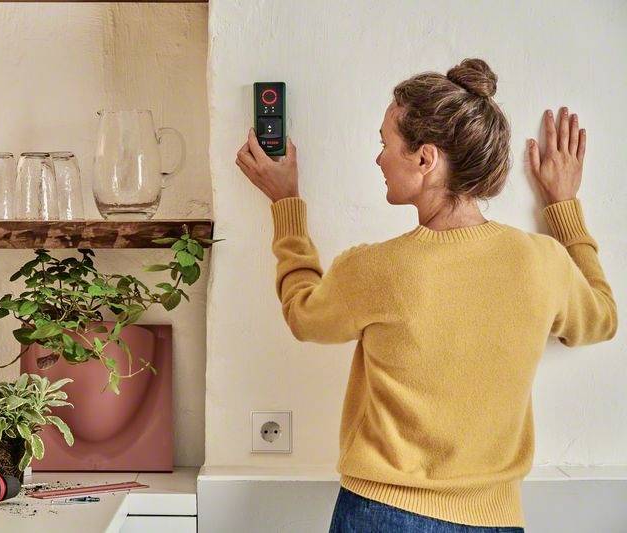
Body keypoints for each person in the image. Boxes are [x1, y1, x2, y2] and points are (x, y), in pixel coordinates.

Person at [235, 58, 617, 532]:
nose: (378, 158)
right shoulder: (542, 262)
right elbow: (602, 318)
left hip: (380, 513)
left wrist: (286, 205)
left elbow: (303, 316)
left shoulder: (373, 268)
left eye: (385, 143)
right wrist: (564, 207)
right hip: (494, 519)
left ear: (425, 158)